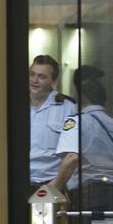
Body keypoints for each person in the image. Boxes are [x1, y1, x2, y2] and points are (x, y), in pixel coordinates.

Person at [50, 65, 113, 211]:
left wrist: (55, 187)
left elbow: (72, 158)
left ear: (81, 96)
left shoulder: (75, 122)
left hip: (90, 196)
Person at [29, 54, 76, 195]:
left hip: (52, 184)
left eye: (41, 77)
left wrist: (54, 188)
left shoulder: (68, 107)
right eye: (32, 74)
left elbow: (72, 155)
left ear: (53, 81)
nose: (34, 81)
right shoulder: (14, 104)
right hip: (19, 183)